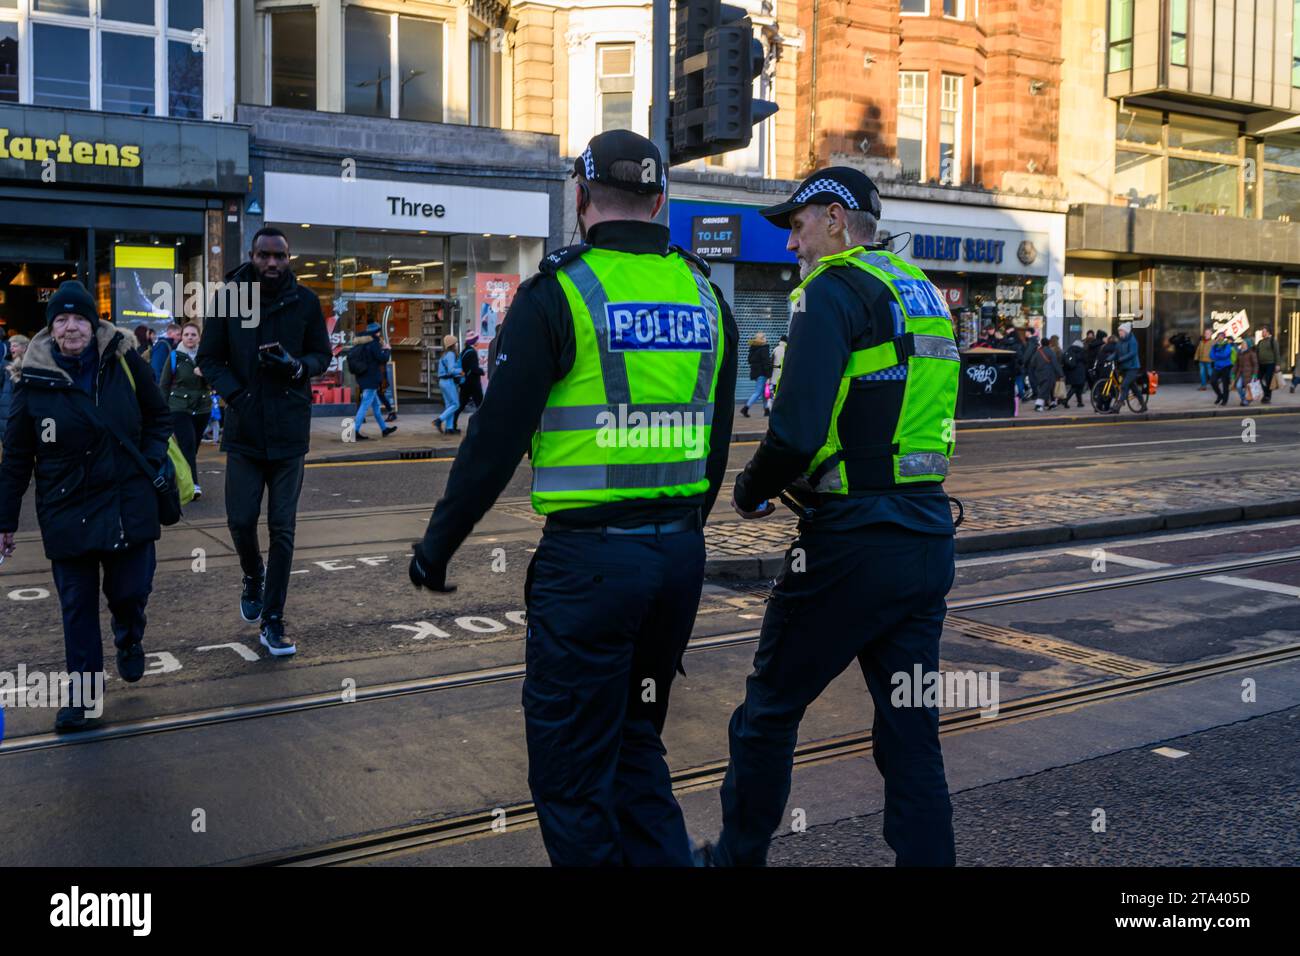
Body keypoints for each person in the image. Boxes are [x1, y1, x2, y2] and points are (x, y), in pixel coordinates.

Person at [409, 129, 738, 866]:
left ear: (580, 198)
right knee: (634, 746)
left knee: (571, 775)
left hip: (589, 570)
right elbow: (715, 448)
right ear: (661, 201)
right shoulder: (704, 292)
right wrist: (678, 535)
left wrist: (437, 548)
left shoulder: (558, 292)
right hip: (677, 563)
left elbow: (494, 441)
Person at [695, 166, 959, 868]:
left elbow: (795, 432)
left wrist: (749, 489)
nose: (790, 243)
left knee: (768, 714)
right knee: (910, 732)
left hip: (852, 543)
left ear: (836, 220)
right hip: (926, 536)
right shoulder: (921, 290)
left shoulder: (829, 291)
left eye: (798, 224)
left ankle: (732, 862)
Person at [0, 282, 171, 731]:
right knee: (76, 605)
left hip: (126, 504)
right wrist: (5, 521)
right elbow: (16, 457)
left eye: (79, 318)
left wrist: (150, 461)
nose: (71, 326)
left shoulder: (123, 358)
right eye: (61, 319)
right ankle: (83, 697)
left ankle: (129, 636)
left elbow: (158, 417)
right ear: (51, 327)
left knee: (130, 592)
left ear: (92, 323)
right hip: (65, 509)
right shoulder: (29, 378)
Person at [197, 225, 332, 657]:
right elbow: (208, 358)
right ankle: (252, 573)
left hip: (290, 433)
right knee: (239, 519)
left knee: (283, 530)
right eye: (263, 255)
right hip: (245, 431)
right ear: (252, 256)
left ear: (289, 259)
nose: (271, 263)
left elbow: (322, 357)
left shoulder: (306, 301)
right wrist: (236, 395)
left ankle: (273, 620)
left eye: (279, 256)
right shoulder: (229, 300)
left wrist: (296, 366)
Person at [159, 321, 211, 499]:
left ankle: (177, 476)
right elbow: (164, 384)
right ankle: (193, 485)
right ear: (182, 337)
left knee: (191, 448)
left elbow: (216, 382)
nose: (190, 338)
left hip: (202, 408)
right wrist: (162, 410)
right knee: (188, 445)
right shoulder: (175, 356)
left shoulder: (206, 358)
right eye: (186, 334)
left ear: (199, 338)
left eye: (193, 335)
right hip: (179, 408)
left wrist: (206, 375)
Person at [348, 322, 397, 441]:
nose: (380, 333)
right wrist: (387, 350)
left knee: (375, 406)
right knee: (364, 406)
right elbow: (382, 359)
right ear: (377, 332)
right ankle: (355, 431)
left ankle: (384, 429)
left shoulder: (362, 342)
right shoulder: (373, 343)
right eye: (379, 331)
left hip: (363, 377)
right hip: (371, 379)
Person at [455, 331, 485, 431]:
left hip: (465, 383)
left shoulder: (464, 352)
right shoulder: (472, 352)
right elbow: (473, 368)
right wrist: (482, 371)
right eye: (477, 339)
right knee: (480, 405)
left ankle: (452, 424)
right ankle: (482, 426)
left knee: (461, 404)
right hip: (473, 383)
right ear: (473, 341)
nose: (478, 341)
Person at [434, 334, 463, 435]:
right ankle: (439, 420)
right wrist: (461, 371)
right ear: (452, 344)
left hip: (442, 381)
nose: (456, 344)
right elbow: (451, 370)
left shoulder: (444, 354)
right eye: (455, 343)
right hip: (448, 381)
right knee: (456, 404)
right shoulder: (451, 354)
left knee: (449, 405)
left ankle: (449, 428)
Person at [1112, 323, 1144, 413]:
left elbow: (1132, 353)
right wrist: (1108, 358)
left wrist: (1121, 359)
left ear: (1126, 331)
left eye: (1121, 331)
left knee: (1124, 385)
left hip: (1133, 368)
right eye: (1119, 331)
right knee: (1134, 388)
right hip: (1125, 368)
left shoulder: (1132, 341)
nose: (1119, 333)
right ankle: (1143, 405)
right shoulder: (1120, 341)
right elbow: (1116, 353)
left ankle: (1118, 405)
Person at [0, 334, 27, 435]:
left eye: (15, 345)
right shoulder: (5, 365)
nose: (11, 347)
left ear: (24, 348)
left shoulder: (30, 366)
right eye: (10, 345)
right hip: (5, 410)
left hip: (19, 411)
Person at [741, 331, 772, 417]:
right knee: (758, 392)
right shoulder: (764, 348)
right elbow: (766, 362)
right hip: (762, 373)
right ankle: (745, 408)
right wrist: (769, 374)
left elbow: (750, 360)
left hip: (756, 373)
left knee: (764, 392)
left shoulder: (753, 349)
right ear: (762, 339)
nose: (766, 338)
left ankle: (766, 410)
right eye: (765, 337)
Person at [1029, 338, 1063, 411]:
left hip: (1039, 373)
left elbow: (1032, 363)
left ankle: (1052, 404)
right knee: (1045, 389)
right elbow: (1055, 364)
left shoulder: (1037, 352)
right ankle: (1038, 405)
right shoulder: (1051, 352)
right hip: (1049, 374)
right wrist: (1061, 373)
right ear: (1048, 344)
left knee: (1047, 388)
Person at [1209, 332, 1236, 406]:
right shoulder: (1215, 346)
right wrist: (1213, 347)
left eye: (1221, 336)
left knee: (1225, 385)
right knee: (1213, 381)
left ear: (1224, 338)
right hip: (1217, 367)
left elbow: (1225, 355)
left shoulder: (1227, 345)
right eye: (1218, 336)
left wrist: (1216, 355)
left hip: (1226, 367)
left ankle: (1225, 400)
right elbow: (1211, 356)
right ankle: (1220, 395)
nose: (1220, 337)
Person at [1062, 338, 1088, 408]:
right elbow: (1086, 360)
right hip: (1079, 372)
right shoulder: (1081, 351)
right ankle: (1065, 399)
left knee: (1078, 387)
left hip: (1071, 372)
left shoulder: (1069, 350)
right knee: (1076, 387)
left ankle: (1080, 402)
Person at [1255, 328, 1278, 404]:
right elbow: (1257, 353)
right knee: (1258, 380)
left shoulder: (1272, 341)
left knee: (1268, 380)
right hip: (1261, 364)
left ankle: (1267, 396)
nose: (1262, 333)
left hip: (1270, 364)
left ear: (1268, 333)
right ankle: (1266, 393)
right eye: (1262, 332)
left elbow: (1276, 353)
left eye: (1264, 332)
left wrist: (1277, 364)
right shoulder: (1260, 342)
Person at [1234, 338, 1259, 407]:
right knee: (1238, 386)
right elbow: (1236, 363)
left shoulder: (1251, 353)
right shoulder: (1239, 352)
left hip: (1249, 374)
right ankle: (1244, 399)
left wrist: (1255, 374)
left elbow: (1255, 364)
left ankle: (1245, 400)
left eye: (1244, 343)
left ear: (1247, 345)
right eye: (1242, 343)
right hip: (1240, 373)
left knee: (1247, 388)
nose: (1242, 345)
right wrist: (1233, 372)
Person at [767, 334, 788, 412]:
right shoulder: (787, 349)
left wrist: (769, 375)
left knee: (773, 389)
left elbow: (771, 361)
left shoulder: (775, 349)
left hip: (774, 372)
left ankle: (770, 405)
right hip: (783, 373)